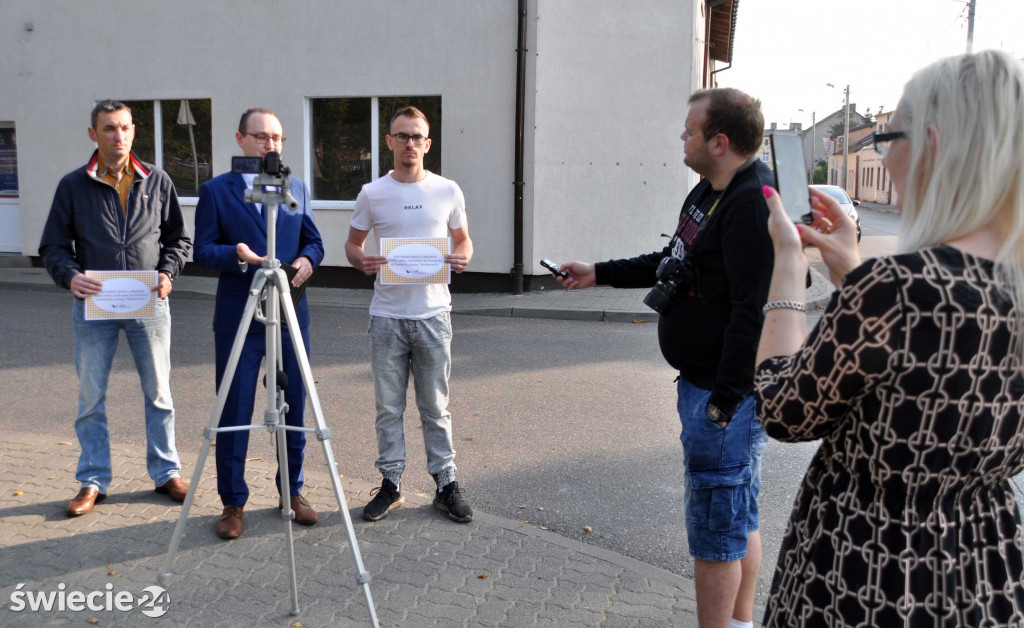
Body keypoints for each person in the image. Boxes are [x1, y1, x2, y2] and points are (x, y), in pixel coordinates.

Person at [754, 49, 1024, 627]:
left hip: (868, 574)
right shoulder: (1003, 285)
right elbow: (935, 358)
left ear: (929, 145)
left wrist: (786, 263)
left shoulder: (899, 288)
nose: (883, 152)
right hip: (984, 568)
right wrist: (852, 269)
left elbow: (783, 410)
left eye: (887, 137)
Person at [556, 88, 774, 628]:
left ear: (719, 142)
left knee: (716, 530)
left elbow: (754, 312)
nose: (682, 137)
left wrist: (724, 403)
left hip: (723, 400)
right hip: (705, 391)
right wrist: (599, 272)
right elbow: (672, 260)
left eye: (689, 130)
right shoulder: (708, 191)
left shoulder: (751, 204)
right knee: (737, 515)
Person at [39, 100, 192, 517]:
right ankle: (92, 480)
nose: (118, 136)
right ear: (93, 134)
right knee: (91, 396)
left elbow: (179, 239)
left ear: (134, 131)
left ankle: (165, 473)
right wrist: (70, 276)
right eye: (109, 129)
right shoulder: (73, 186)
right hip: (94, 305)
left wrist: (168, 273)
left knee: (159, 393)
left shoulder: (156, 180)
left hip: (149, 301)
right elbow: (52, 246)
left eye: (124, 128)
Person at [194, 108, 325, 539]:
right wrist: (238, 253)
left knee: (294, 402)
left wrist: (307, 259)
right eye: (262, 137)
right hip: (240, 312)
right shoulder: (217, 190)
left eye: (278, 138)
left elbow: (313, 239)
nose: (271, 145)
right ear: (241, 140)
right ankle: (233, 502)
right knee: (235, 405)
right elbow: (203, 250)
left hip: (289, 312)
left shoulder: (296, 187)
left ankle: (293, 491)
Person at [345, 106, 475, 523]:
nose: (410, 144)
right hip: (387, 316)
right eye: (402, 136)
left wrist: (463, 258)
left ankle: (445, 483)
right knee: (388, 407)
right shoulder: (372, 193)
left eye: (417, 137)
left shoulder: (447, 190)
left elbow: (464, 240)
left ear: (428, 143)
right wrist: (359, 260)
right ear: (389, 141)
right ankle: (392, 484)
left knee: (435, 406)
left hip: (434, 315)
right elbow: (353, 243)